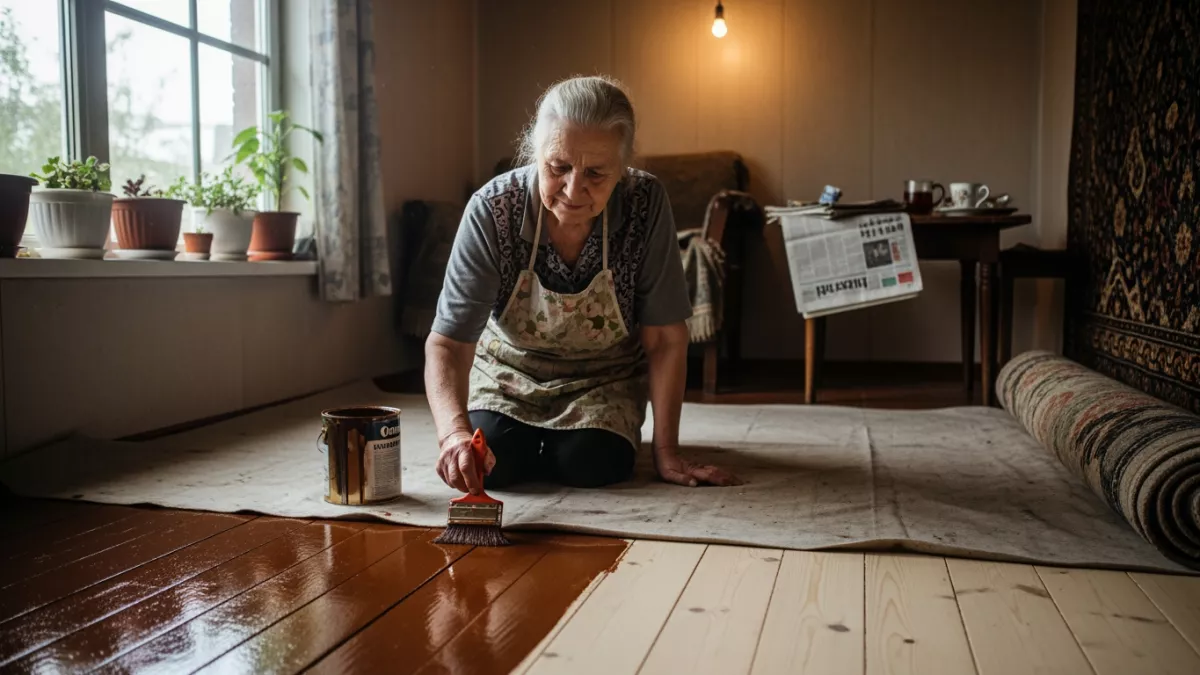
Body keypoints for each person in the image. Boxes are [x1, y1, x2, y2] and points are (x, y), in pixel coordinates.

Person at [426, 75, 741, 495]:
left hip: (603, 380)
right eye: (558, 167)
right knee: (494, 462)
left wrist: (667, 453)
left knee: (591, 463)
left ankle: (576, 445)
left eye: (595, 173)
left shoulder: (645, 203)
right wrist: (454, 435)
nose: (574, 190)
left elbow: (666, 338)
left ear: (623, 169)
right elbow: (449, 343)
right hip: (508, 375)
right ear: (535, 152)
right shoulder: (492, 209)